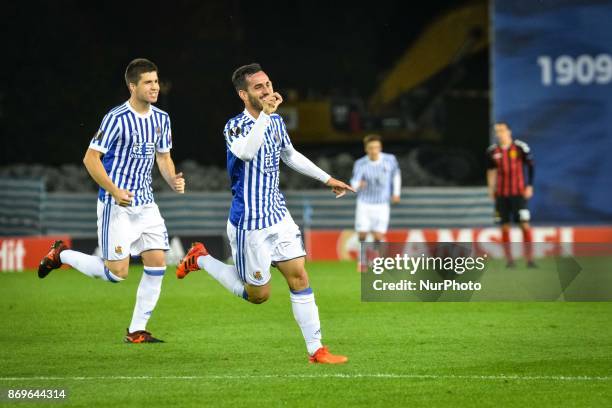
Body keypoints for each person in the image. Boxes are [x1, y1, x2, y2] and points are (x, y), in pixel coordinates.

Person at [176, 63, 353, 364]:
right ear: (243, 94)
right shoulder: (234, 126)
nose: (267, 90)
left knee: (299, 276)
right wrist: (266, 116)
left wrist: (327, 178)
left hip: (277, 214)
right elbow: (246, 152)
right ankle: (201, 258)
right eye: (259, 87)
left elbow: (290, 154)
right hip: (249, 223)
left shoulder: (276, 122)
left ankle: (316, 349)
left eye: (268, 84)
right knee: (258, 296)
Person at [38, 58, 185, 343]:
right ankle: (60, 255)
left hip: (147, 205)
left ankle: (136, 331)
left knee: (157, 264)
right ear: (132, 86)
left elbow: (163, 157)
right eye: (148, 82)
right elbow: (90, 159)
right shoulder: (116, 118)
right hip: (116, 206)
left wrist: (172, 180)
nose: (155, 87)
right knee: (117, 274)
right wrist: (115, 190)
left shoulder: (161, 119)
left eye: (156, 81)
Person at [486, 121, 535, 268]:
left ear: (509, 131)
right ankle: (509, 260)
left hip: (518, 194)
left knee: (524, 225)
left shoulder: (520, 147)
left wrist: (530, 186)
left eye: (502, 130)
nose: (499, 133)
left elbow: (531, 166)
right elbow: (491, 171)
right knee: (504, 227)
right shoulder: (492, 151)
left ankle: (529, 259)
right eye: (497, 131)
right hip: (501, 194)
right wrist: (491, 189)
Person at [350, 134, 401, 271]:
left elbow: (396, 175)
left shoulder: (390, 160)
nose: (374, 150)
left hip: (382, 203)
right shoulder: (360, 163)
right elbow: (354, 181)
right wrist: (357, 184)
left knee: (378, 235)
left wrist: (396, 193)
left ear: (380, 147)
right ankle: (362, 260)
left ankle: (375, 257)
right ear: (366, 149)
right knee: (362, 234)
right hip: (364, 203)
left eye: (377, 147)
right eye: (371, 148)